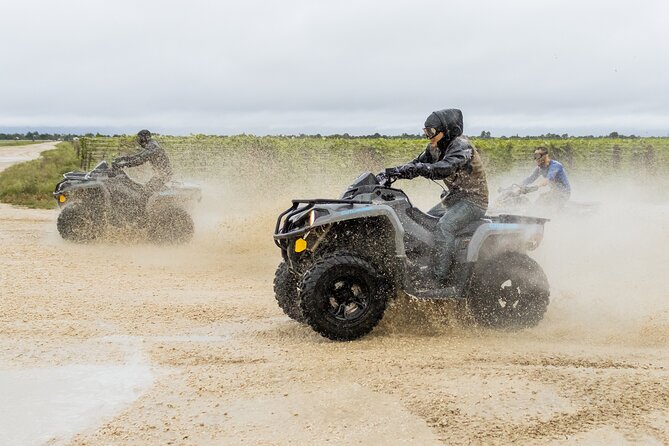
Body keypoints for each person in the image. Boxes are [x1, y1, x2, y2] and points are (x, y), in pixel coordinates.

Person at [383, 109, 489, 282]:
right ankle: (427, 263)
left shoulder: (462, 146)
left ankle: (439, 277)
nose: (428, 136)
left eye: (431, 131)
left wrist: (420, 169)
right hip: (454, 199)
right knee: (425, 223)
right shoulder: (435, 147)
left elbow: (446, 167)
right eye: (426, 131)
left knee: (444, 227)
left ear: (446, 130)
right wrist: (392, 173)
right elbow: (416, 164)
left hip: (474, 201)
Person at [112, 129, 173, 194]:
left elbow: (140, 160)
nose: (139, 140)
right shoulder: (151, 144)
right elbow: (138, 155)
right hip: (161, 174)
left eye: (140, 138)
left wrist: (122, 165)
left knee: (146, 192)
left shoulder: (153, 146)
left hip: (163, 175)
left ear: (146, 137)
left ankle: (166, 195)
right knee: (146, 189)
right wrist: (123, 158)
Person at [521, 146, 571, 211]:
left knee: (544, 202)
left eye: (538, 155)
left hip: (563, 193)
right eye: (534, 156)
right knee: (538, 201)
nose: (536, 159)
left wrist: (534, 187)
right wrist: (517, 186)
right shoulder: (540, 168)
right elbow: (530, 179)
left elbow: (547, 180)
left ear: (546, 156)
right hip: (554, 192)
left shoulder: (555, 165)